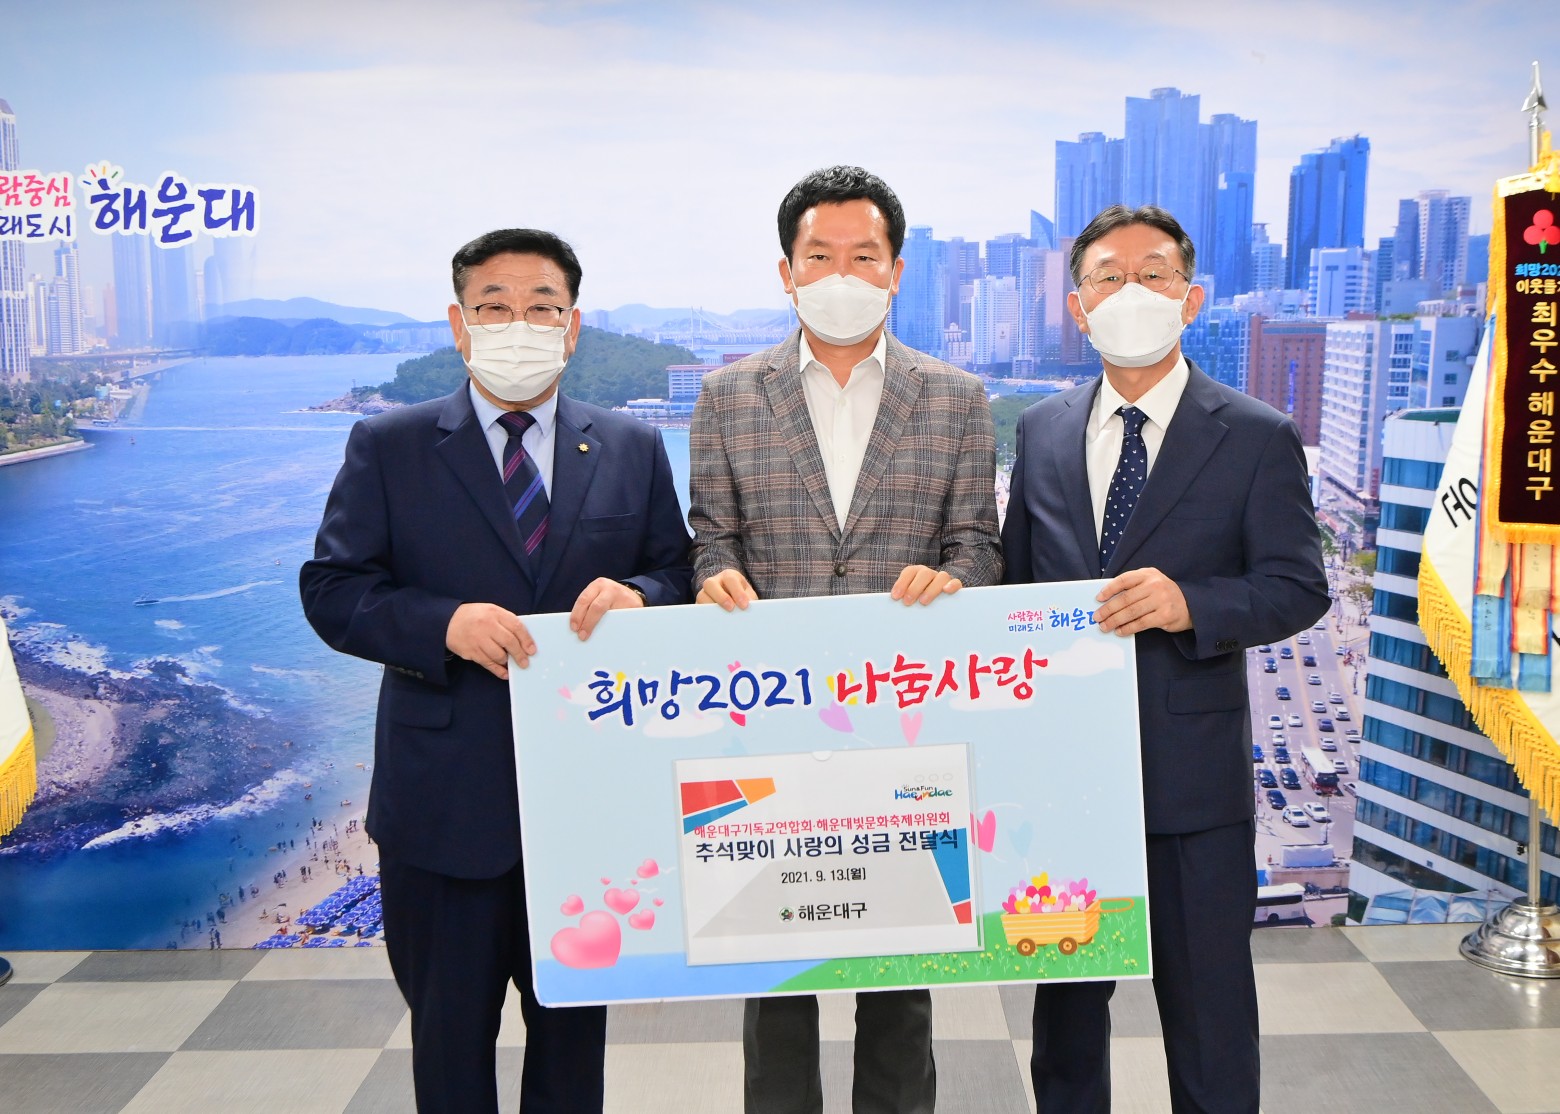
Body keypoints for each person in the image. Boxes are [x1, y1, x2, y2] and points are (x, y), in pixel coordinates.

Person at [300, 228, 692, 1113]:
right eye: (495, 307)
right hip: (443, 814)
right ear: (459, 324)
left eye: (542, 308)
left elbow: (678, 571)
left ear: (573, 326)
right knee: (449, 1056)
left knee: (572, 1063)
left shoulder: (631, 445)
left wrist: (639, 595)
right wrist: (442, 624)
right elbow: (332, 590)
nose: (520, 325)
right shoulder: (390, 444)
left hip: (589, 815)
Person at [1001, 204, 1329, 1113]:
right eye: (1107, 277)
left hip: (1193, 788)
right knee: (1066, 1031)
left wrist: (1194, 604)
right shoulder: (1042, 430)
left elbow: (1299, 586)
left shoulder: (1256, 434)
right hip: (1066, 787)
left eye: (1153, 274)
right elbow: (1014, 585)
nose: (1130, 292)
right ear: (1078, 306)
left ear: (1192, 298)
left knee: (1210, 1025)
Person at [689, 165, 1002, 1114]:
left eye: (863, 256)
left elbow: (977, 544)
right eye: (818, 256)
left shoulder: (955, 397)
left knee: (901, 987)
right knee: (775, 982)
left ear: (896, 271)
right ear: (786, 272)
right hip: (769, 726)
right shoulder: (726, 396)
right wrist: (712, 576)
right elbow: (711, 538)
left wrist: (957, 580)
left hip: (905, 728)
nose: (841, 275)